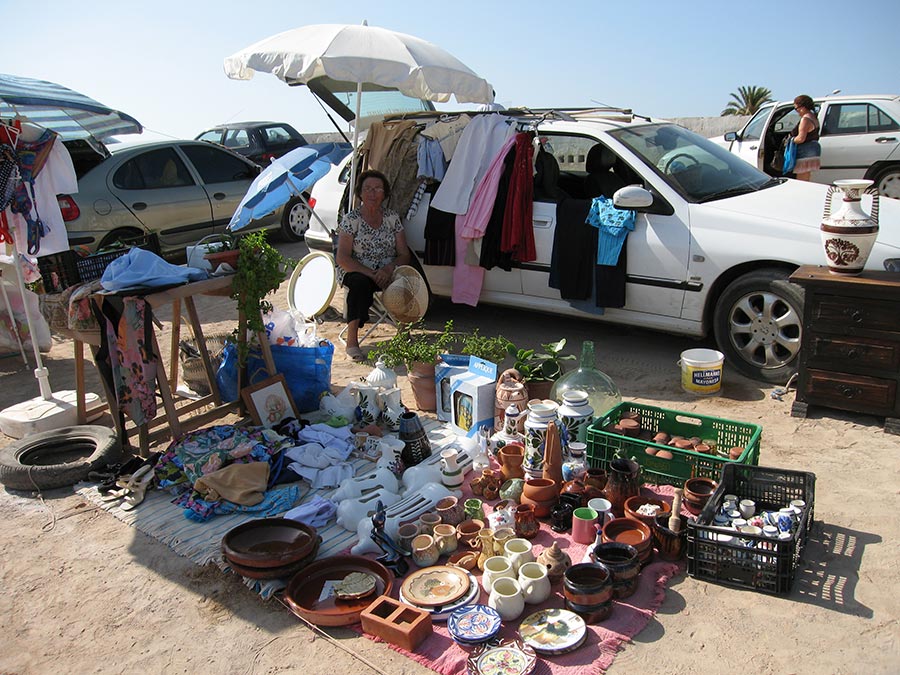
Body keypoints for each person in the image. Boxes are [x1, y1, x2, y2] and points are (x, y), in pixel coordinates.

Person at [336, 169, 410, 360]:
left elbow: (404, 254)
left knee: (407, 277)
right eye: (368, 189)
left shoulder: (392, 218)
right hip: (358, 269)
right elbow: (342, 258)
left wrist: (388, 268)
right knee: (359, 284)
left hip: (387, 269)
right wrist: (371, 273)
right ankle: (352, 341)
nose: (372, 193)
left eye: (378, 189)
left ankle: (404, 333)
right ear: (360, 193)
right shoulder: (351, 220)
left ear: (384, 194)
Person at [790, 95, 821, 181]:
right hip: (812, 152)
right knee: (807, 177)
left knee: (802, 180)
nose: (797, 112)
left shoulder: (805, 119)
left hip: (804, 153)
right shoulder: (813, 117)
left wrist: (791, 141)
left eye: (796, 109)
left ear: (802, 107)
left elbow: (801, 138)